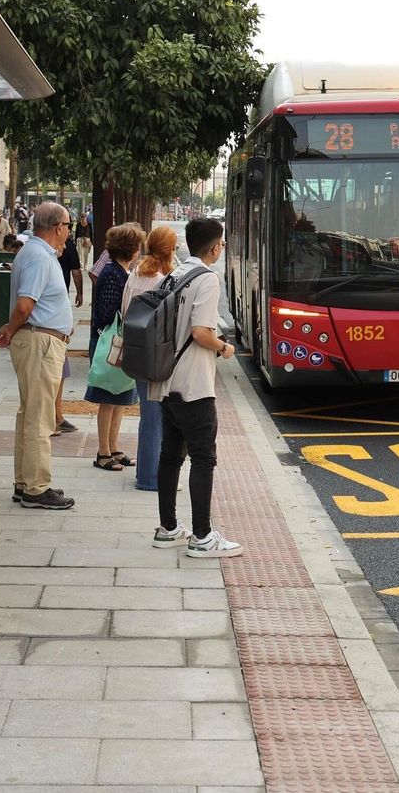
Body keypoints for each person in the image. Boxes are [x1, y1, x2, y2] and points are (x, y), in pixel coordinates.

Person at [148, 218, 243, 558]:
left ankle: (168, 528)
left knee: (171, 454)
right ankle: (202, 536)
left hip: (167, 380)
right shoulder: (207, 279)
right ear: (216, 246)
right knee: (203, 457)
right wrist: (224, 347)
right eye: (222, 244)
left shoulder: (175, 274)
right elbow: (202, 331)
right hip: (193, 384)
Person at [0, 202, 75, 510]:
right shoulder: (40, 257)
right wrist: (11, 328)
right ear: (56, 227)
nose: (69, 231)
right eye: (69, 225)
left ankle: (25, 481)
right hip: (41, 341)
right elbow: (26, 305)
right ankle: (37, 487)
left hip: (38, 339)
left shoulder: (35, 253)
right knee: (40, 416)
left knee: (30, 413)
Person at [85, 224, 144, 472]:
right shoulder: (113, 274)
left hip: (117, 343)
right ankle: (103, 452)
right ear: (131, 249)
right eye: (138, 245)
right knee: (108, 399)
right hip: (109, 344)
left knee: (120, 398)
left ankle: (114, 447)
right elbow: (108, 312)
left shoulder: (122, 271)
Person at [125, 226, 177, 492]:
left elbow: (125, 309)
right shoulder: (164, 280)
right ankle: (151, 477)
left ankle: (147, 472)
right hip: (157, 355)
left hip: (136, 352)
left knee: (148, 415)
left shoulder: (135, 274)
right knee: (156, 417)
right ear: (170, 251)